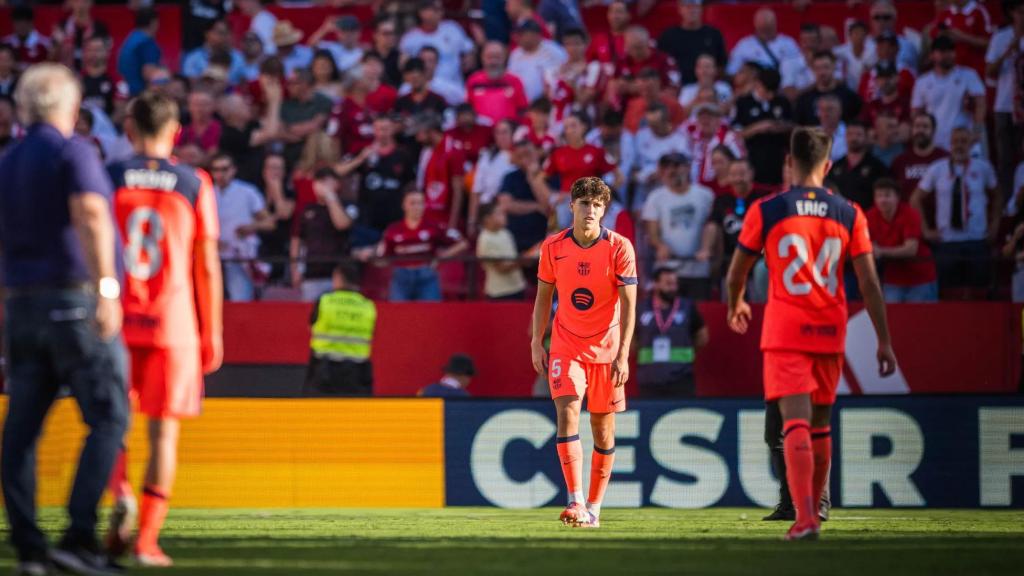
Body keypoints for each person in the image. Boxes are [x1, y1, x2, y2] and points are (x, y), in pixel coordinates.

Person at [726, 127, 897, 540]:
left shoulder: (768, 209)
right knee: (820, 424)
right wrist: (884, 340)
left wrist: (736, 303)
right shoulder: (849, 212)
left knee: (794, 424)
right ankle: (814, 513)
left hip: (786, 329)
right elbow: (869, 283)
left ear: (789, 162)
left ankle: (804, 519)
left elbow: (737, 273)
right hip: (830, 327)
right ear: (828, 164)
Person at [0, 63, 127, 576]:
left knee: (21, 432)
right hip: (72, 300)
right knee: (109, 416)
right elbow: (91, 214)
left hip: (21, 306)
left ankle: (30, 548)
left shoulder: (7, 162)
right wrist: (107, 288)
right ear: (71, 107)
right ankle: (78, 538)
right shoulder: (72, 152)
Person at [102, 91, 223, 568]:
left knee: (111, 424)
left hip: (114, 321)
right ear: (175, 131)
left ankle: (120, 494)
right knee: (163, 435)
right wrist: (212, 333)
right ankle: (148, 542)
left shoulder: (108, 176)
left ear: (129, 129)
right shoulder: (194, 182)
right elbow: (207, 265)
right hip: (173, 325)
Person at [530, 176, 637, 529]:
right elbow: (543, 297)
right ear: (572, 207)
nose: (590, 210)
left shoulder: (619, 247)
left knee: (603, 429)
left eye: (597, 205)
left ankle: (594, 507)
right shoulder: (553, 247)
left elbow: (629, 304)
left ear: (605, 210)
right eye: (585, 203)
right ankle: (574, 499)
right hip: (566, 343)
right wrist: (537, 341)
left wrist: (623, 354)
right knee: (568, 412)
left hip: (606, 348)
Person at [912, 125, 1000, 295]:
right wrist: (926, 230)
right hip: (947, 241)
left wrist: (995, 224)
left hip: (977, 240)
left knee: (978, 291)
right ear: (950, 144)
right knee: (948, 292)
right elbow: (915, 198)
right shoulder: (937, 168)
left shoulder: (983, 168)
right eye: (956, 142)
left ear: (971, 144)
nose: (959, 146)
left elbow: (998, 195)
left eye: (964, 141)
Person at [642, 152, 716, 299]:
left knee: (699, 310)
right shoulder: (655, 197)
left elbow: (712, 226)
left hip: (698, 268)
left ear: (687, 168)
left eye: (676, 166)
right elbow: (652, 232)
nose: (671, 171)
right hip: (667, 269)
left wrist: (706, 249)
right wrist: (660, 246)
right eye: (666, 167)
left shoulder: (705, 195)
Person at [380, 189, 468, 302]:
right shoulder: (393, 230)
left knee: (431, 311)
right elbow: (384, 257)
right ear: (404, 205)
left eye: (420, 203)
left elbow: (462, 243)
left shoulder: (434, 227)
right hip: (401, 277)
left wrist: (443, 256)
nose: (416, 207)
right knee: (398, 311)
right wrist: (370, 255)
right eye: (412, 203)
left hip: (426, 275)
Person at [635, 266, 708, 397]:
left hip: (682, 378)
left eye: (675, 284)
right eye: (668, 284)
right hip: (649, 379)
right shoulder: (641, 308)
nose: (673, 288)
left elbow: (702, 336)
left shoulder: (687, 307)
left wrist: (689, 351)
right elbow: (631, 338)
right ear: (656, 284)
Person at [210, 153, 274, 301]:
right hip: (212, 256)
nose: (220, 174)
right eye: (216, 170)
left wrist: (251, 227)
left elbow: (269, 223)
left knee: (239, 299)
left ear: (233, 170)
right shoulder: (207, 191)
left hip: (239, 257)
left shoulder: (247, 192)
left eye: (224, 169)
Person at [306, 264, 376, 397]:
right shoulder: (368, 306)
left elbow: (311, 327)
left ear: (338, 278)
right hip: (357, 373)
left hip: (325, 372)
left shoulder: (325, 301)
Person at [866, 179, 938, 302]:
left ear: (897, 197)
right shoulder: (870, 216)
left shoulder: (910, 214)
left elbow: (911, 249)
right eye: (879, 196)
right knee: (891, 313)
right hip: (893, 279)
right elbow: (869, 247)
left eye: (887, 195)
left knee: (922, 314)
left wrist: (881, 251)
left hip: (920, 277)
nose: (883, 200)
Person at [290, 168, 355, 301]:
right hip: (313, 273)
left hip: (339, 274)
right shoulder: (307, 210)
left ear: (337, 184)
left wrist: (330, 196)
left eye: (327, 182)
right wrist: (295, 269)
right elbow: (297, 240)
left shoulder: (348, 206)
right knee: (311, 310)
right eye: (319, 182)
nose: (322, 186)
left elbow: (341, 224)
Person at [911, 36, 985, 150]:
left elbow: (981, 104)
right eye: (942, 51)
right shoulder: (922, 82)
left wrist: (977, 131)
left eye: (950, 50)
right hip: (935, 142)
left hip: (963, 141)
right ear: (932, 55)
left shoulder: (968, 75)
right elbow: (916, 113)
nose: (948, 55)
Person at [985, 0, 1024, 211]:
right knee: (1005, 160)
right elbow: (990, 71)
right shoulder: (1001, 37)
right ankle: (1007, 207)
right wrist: (1009, 50)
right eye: (1019, 11)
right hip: (1005, 106)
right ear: (1011, 13)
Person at [732, 67, 792, 186]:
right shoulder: (743, 103)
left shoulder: (782, 101)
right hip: (753, 157)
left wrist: (779, 126)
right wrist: (757, 128)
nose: (770, 95)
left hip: (777, 157)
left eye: (773, 91)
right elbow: (736, 134)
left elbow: (793, 125)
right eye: (767, 90)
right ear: (758, 84)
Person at [400, 0, 475, 86]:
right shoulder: (410, 38)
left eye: (441, 9)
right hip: (424, 88)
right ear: (422, 12)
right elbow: (404, 67)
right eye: (435, 9)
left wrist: (468, 59)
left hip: (452, 86)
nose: (440, 13)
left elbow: (469, 51)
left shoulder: (453, 28)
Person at [657, 0, 727, 86]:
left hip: (707, 87)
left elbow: (721, 65)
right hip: (677, 87)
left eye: (695, 6)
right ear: (680, 9)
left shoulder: (714, 34)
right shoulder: (668, 36)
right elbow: (660, 64)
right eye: (687, 6)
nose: (691, 10)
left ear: (702, 9)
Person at [825, 120, 890, 211]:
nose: (854, 138)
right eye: (850, 134)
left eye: (858, 134)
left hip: (867, 215)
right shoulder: (835, 167)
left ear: (866, 137)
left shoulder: (877, 167)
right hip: (839, 215)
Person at [465, 42, 529, 125]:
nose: (493, 61)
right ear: (482, 58)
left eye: (497, 57)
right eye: (489, 57)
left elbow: (523, 110)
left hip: (509, 131)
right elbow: (468, 110)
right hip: (482, 130)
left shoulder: (515, 81)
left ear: (505, 58)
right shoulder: (473, 81)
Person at [726, 8, 801, 76]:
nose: (765, 34)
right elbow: (732, 71)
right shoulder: (744, 45)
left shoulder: (788, 43)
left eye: (768, 29)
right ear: (756, 26)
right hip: (756, 84)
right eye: (762, 30)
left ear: (775, 25)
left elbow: (799, 68)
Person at [891, 112, 948, 201]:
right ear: (912, 130)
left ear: (933, 131)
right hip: (908, 209)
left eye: (925, 127)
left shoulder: (944, 158)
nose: (920, 130)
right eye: (917, 126)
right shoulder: (900, 161)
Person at [477, 202, 527, 300]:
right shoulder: (485, 239)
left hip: (518, 287)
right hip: (500, 293)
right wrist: (523, 260)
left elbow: (513, 259)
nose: (504, 216)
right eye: (499, 214)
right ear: (487, 219)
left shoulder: (506, 233)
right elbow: (501, 268)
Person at [116, 8, 161, 97]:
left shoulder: (130, 39)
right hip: (139, 95)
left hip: (125, 93)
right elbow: (149, 74)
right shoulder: (147, 42)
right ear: (153, 23)